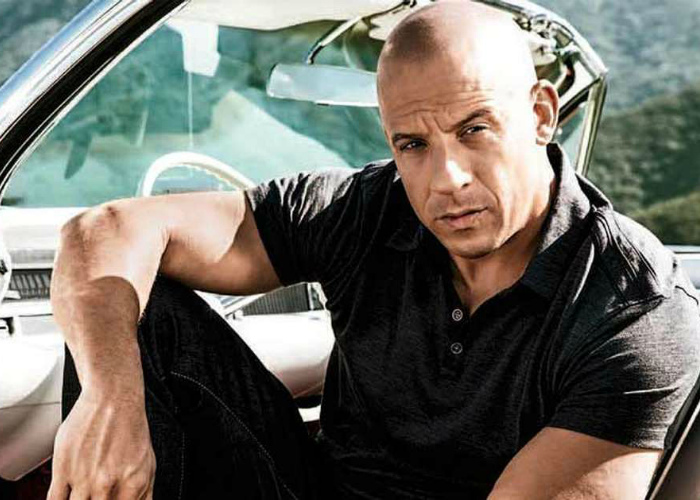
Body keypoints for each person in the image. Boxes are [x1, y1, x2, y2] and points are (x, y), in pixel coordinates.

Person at [48, 1, 700, 499]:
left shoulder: (635, 313)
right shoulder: (365, 208)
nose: (446, 180)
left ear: (541, 115)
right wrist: (111, 399)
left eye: (475, 129)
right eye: (413, 144)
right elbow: (103, 231)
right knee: (132, 309)